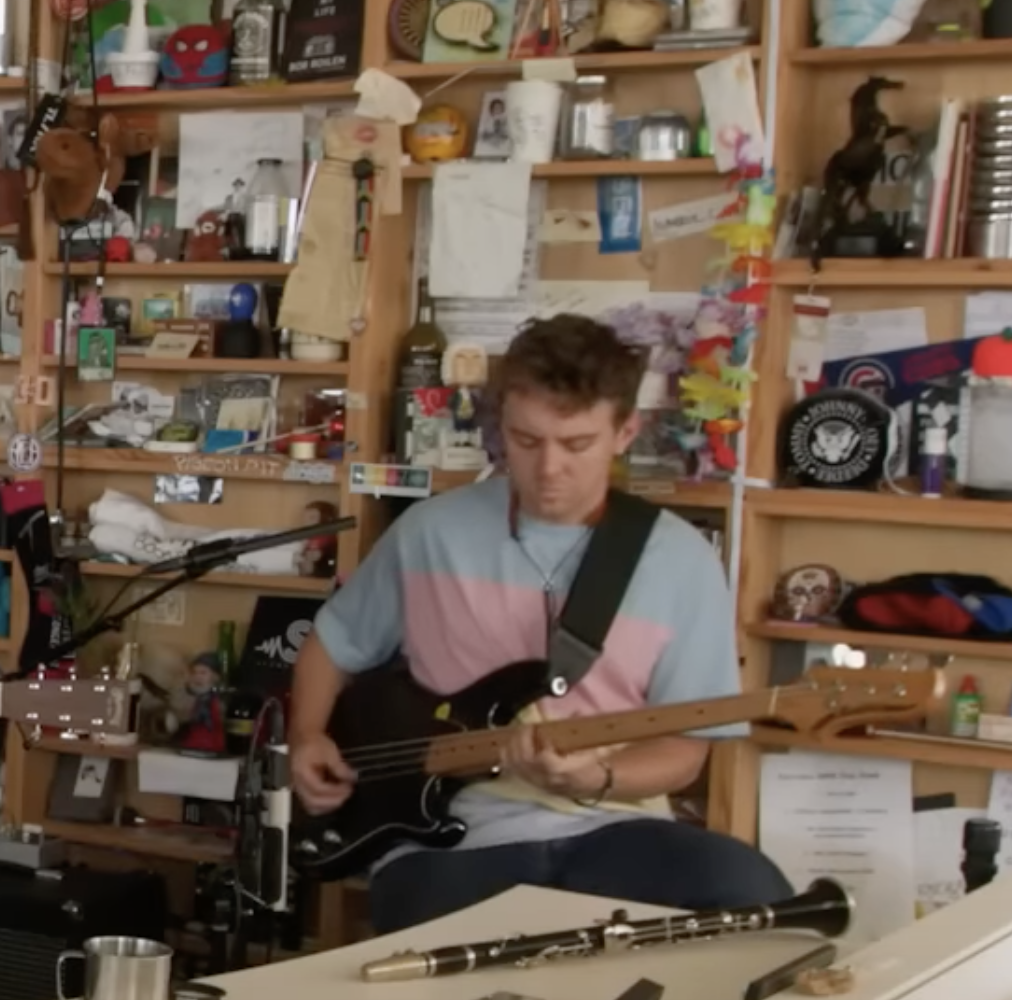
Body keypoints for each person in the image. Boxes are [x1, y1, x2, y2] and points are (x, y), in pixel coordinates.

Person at [286, 314, 789, 934]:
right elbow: (331, 646)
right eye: (527, 441)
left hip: (616, 825)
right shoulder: (430, 533)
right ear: (502, 428)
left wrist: (599, 777)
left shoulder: (681, 562)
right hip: (450, 838)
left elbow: (685, 752)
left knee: (759, 900)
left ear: (624, 431)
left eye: (576, 444)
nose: (549, 469)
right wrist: (308, 737)